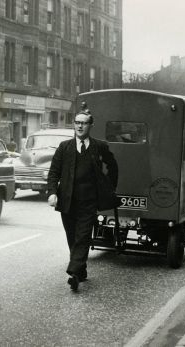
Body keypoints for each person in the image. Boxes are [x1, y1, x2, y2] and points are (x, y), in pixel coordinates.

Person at [47, 110, 119, 291]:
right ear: (73, 124)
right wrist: (52, 192)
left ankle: (74, 273)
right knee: (72, 237)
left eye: (84, 123)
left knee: (83, 236)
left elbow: (113, 166)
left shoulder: (99, 146)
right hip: (67, 201)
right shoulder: (64, 147)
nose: (80, 126)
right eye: (77, 122)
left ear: (90, 126)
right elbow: (54, 172)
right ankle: (81, 270)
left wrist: (108, 187)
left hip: (89, 201)